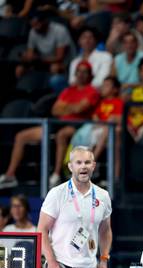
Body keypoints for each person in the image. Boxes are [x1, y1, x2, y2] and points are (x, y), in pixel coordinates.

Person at [0, 61, 100, 190]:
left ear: (90, 75)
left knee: (61, 135)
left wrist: (67, 107)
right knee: (21, 136)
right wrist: (72, 108)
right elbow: (55, 110)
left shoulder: (92, 91)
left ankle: (56, 174)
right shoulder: (68, 90)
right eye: (79, 71)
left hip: (78, 124)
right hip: (58, 122)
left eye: (84, 72)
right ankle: (10, 175)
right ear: (75, 74)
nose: (81, 74)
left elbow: (80, 109)